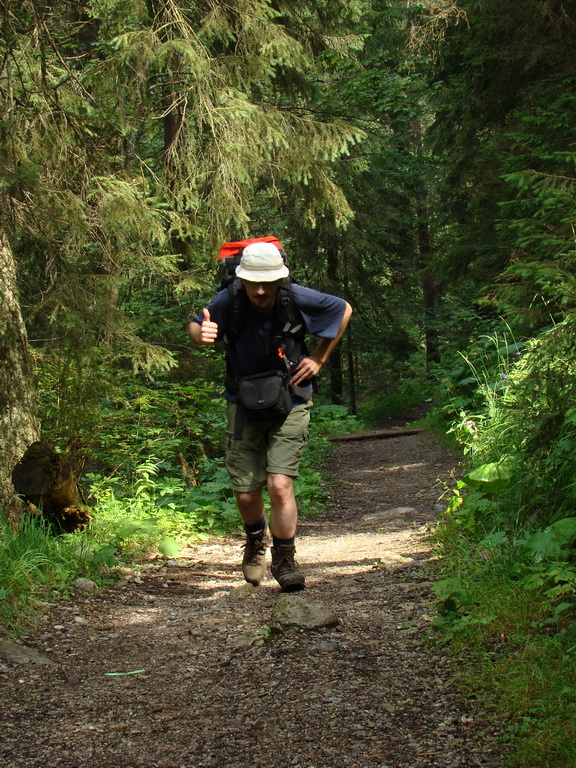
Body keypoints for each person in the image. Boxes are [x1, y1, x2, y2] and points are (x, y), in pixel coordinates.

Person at [188, 240, 352, 591]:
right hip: (241, 401)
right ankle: (255, 538)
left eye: (268, 282)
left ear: (280, 278)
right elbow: (195, 323)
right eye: (253, 283)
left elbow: (344, 310)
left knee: (279, 484)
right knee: (246, 492)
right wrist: (202, 336)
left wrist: (319, 358)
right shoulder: (230, 298)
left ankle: (284, 559)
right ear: (242, 279)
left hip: (291, 398)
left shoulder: (296, 296)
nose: (260, 290)